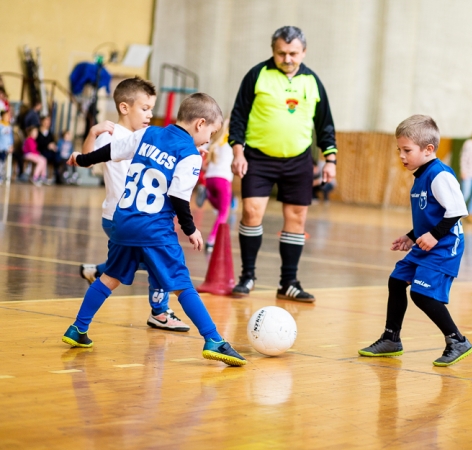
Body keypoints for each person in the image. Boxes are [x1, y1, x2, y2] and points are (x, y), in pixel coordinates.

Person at [63, 93, 246, 367]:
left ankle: (77, 329)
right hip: (154, 229)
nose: (209, 139)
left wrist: (83, 160)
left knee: (109, 278)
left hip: (123, 223)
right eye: (211, 131)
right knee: (182, 285)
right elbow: (178, 198)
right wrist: (191, 228)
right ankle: (213, 340)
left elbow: (110, 152)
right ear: (200, 124)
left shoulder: (147, 133)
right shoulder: (189, 156)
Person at [229, 25, 337, 302]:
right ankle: (248, 276)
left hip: (298, 160)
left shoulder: (312, 81)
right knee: (252, 213)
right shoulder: (257, 75)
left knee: (297, 219)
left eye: (293, 53)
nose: (287, 58)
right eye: (281, 53)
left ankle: (289, 282)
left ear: (304, 51)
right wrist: (238, 152)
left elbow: (324, 125)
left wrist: (330, 160)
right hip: (258, 157)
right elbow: (238, 116)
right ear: (273, 51)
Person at [358, 115, 472, 367]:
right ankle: (391, 339)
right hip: (427, 243)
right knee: (397, 281)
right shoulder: (420, 176)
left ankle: (457, 340)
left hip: (444, 246)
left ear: (428, 149)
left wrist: (433, 236)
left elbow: (456, 210)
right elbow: (431, 214)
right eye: (399, 149)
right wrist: (411, 236)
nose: (401, 155)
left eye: (407, 150)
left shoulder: (439, 174)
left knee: (422, 294)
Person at [78, 77, 191, 332]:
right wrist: (93, 132)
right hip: (123, 215)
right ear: (124, 107)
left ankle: (98, 273)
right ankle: (160, 313)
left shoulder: (146, 136)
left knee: (136, 261)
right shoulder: (112, 135)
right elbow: (85, 158)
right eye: (145, 108)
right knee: (157, 258)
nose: (150, 114)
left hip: (138, 216)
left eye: (152, 108)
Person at [201, 120, 234, 252]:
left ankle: (207, 194)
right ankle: (211, 240)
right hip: (223, 179)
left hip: (209, 178)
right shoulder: (234, 141)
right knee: (223, 212)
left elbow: (200, 152)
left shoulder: (214, 140)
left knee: (220, 208)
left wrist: (203, 168)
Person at [37, 116, 60, 184]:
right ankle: (48, 175)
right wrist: (47, 146)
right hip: (41, 150)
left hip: (49, 151)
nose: (47, 123)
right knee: (52, 156)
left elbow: (52, 141)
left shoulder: (49, 133)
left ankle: (55, 175)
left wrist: (53, 146)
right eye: (46, 121)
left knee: (57, 155)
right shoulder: (38, 132)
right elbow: (38, 143)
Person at [0, 109, 12, 181]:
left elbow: (10, 137)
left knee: (3, 162)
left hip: (5, 148)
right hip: (0, 146)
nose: (7, 117)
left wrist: (10, 145)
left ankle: (1, 176)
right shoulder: (0, 125)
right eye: (6, 116)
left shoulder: (9, 127)